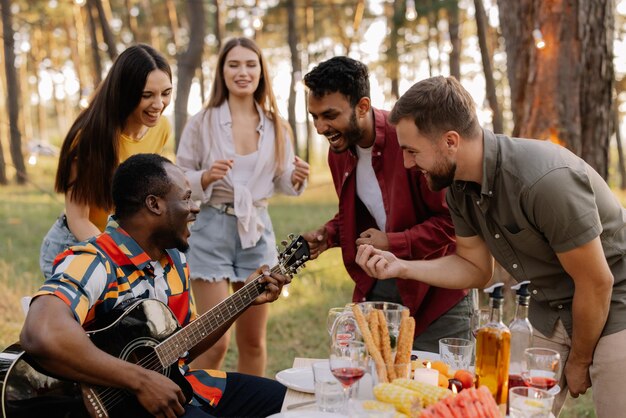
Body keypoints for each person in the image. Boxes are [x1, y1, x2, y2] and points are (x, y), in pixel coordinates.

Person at [356, 75, 626, 418]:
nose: (408, 164)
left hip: (616, 300)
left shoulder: (543, 181)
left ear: (450, 141)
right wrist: (402, 266)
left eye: (412, 151)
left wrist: (580, 360)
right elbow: (476, 268)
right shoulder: (457, 187)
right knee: (502, 411)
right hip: (551, 306)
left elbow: (597, 282)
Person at [21, 154, 288, 418]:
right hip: (120, 405)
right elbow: (41, 332)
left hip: (182, 387)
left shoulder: (174, 260)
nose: (195, 207)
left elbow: (180, 347)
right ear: (154, 204)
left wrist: (243, 300)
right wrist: (140, 381)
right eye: (185, 198)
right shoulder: (95, 260)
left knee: (290, 401)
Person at [301, 57, 471, 353]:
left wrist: (392, 242)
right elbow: (368, 212)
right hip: (381, 287)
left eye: (329, 115)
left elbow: (450, 223)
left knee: (439, 392)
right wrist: (328, 234)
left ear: (362, 107)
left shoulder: (407, 140)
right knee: (372, 389)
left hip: (439, 296)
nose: (320, 127)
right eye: (314, 117)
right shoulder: (338, 151)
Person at [176, 37, 309, 376]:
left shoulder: (276, 125)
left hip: (257, 233)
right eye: (233, 64)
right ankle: (201, 408)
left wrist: (296, 178)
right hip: (211, 232)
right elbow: (177, 179)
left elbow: (282, 179)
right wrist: (205, 177)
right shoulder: (201, 122)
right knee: (213, 341)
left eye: (251, 64)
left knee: (253, 341)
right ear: (221, 72)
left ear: (261, 71)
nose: (243, 72)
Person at [39, 44, 173, 279]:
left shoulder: (161, 128)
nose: (159, 104)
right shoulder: (89, 139)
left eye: (166, 93)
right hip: (78, 245)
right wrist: (120, 259)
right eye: (147, 95)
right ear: (125, 92)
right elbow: (79, 219)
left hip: (123, 244)